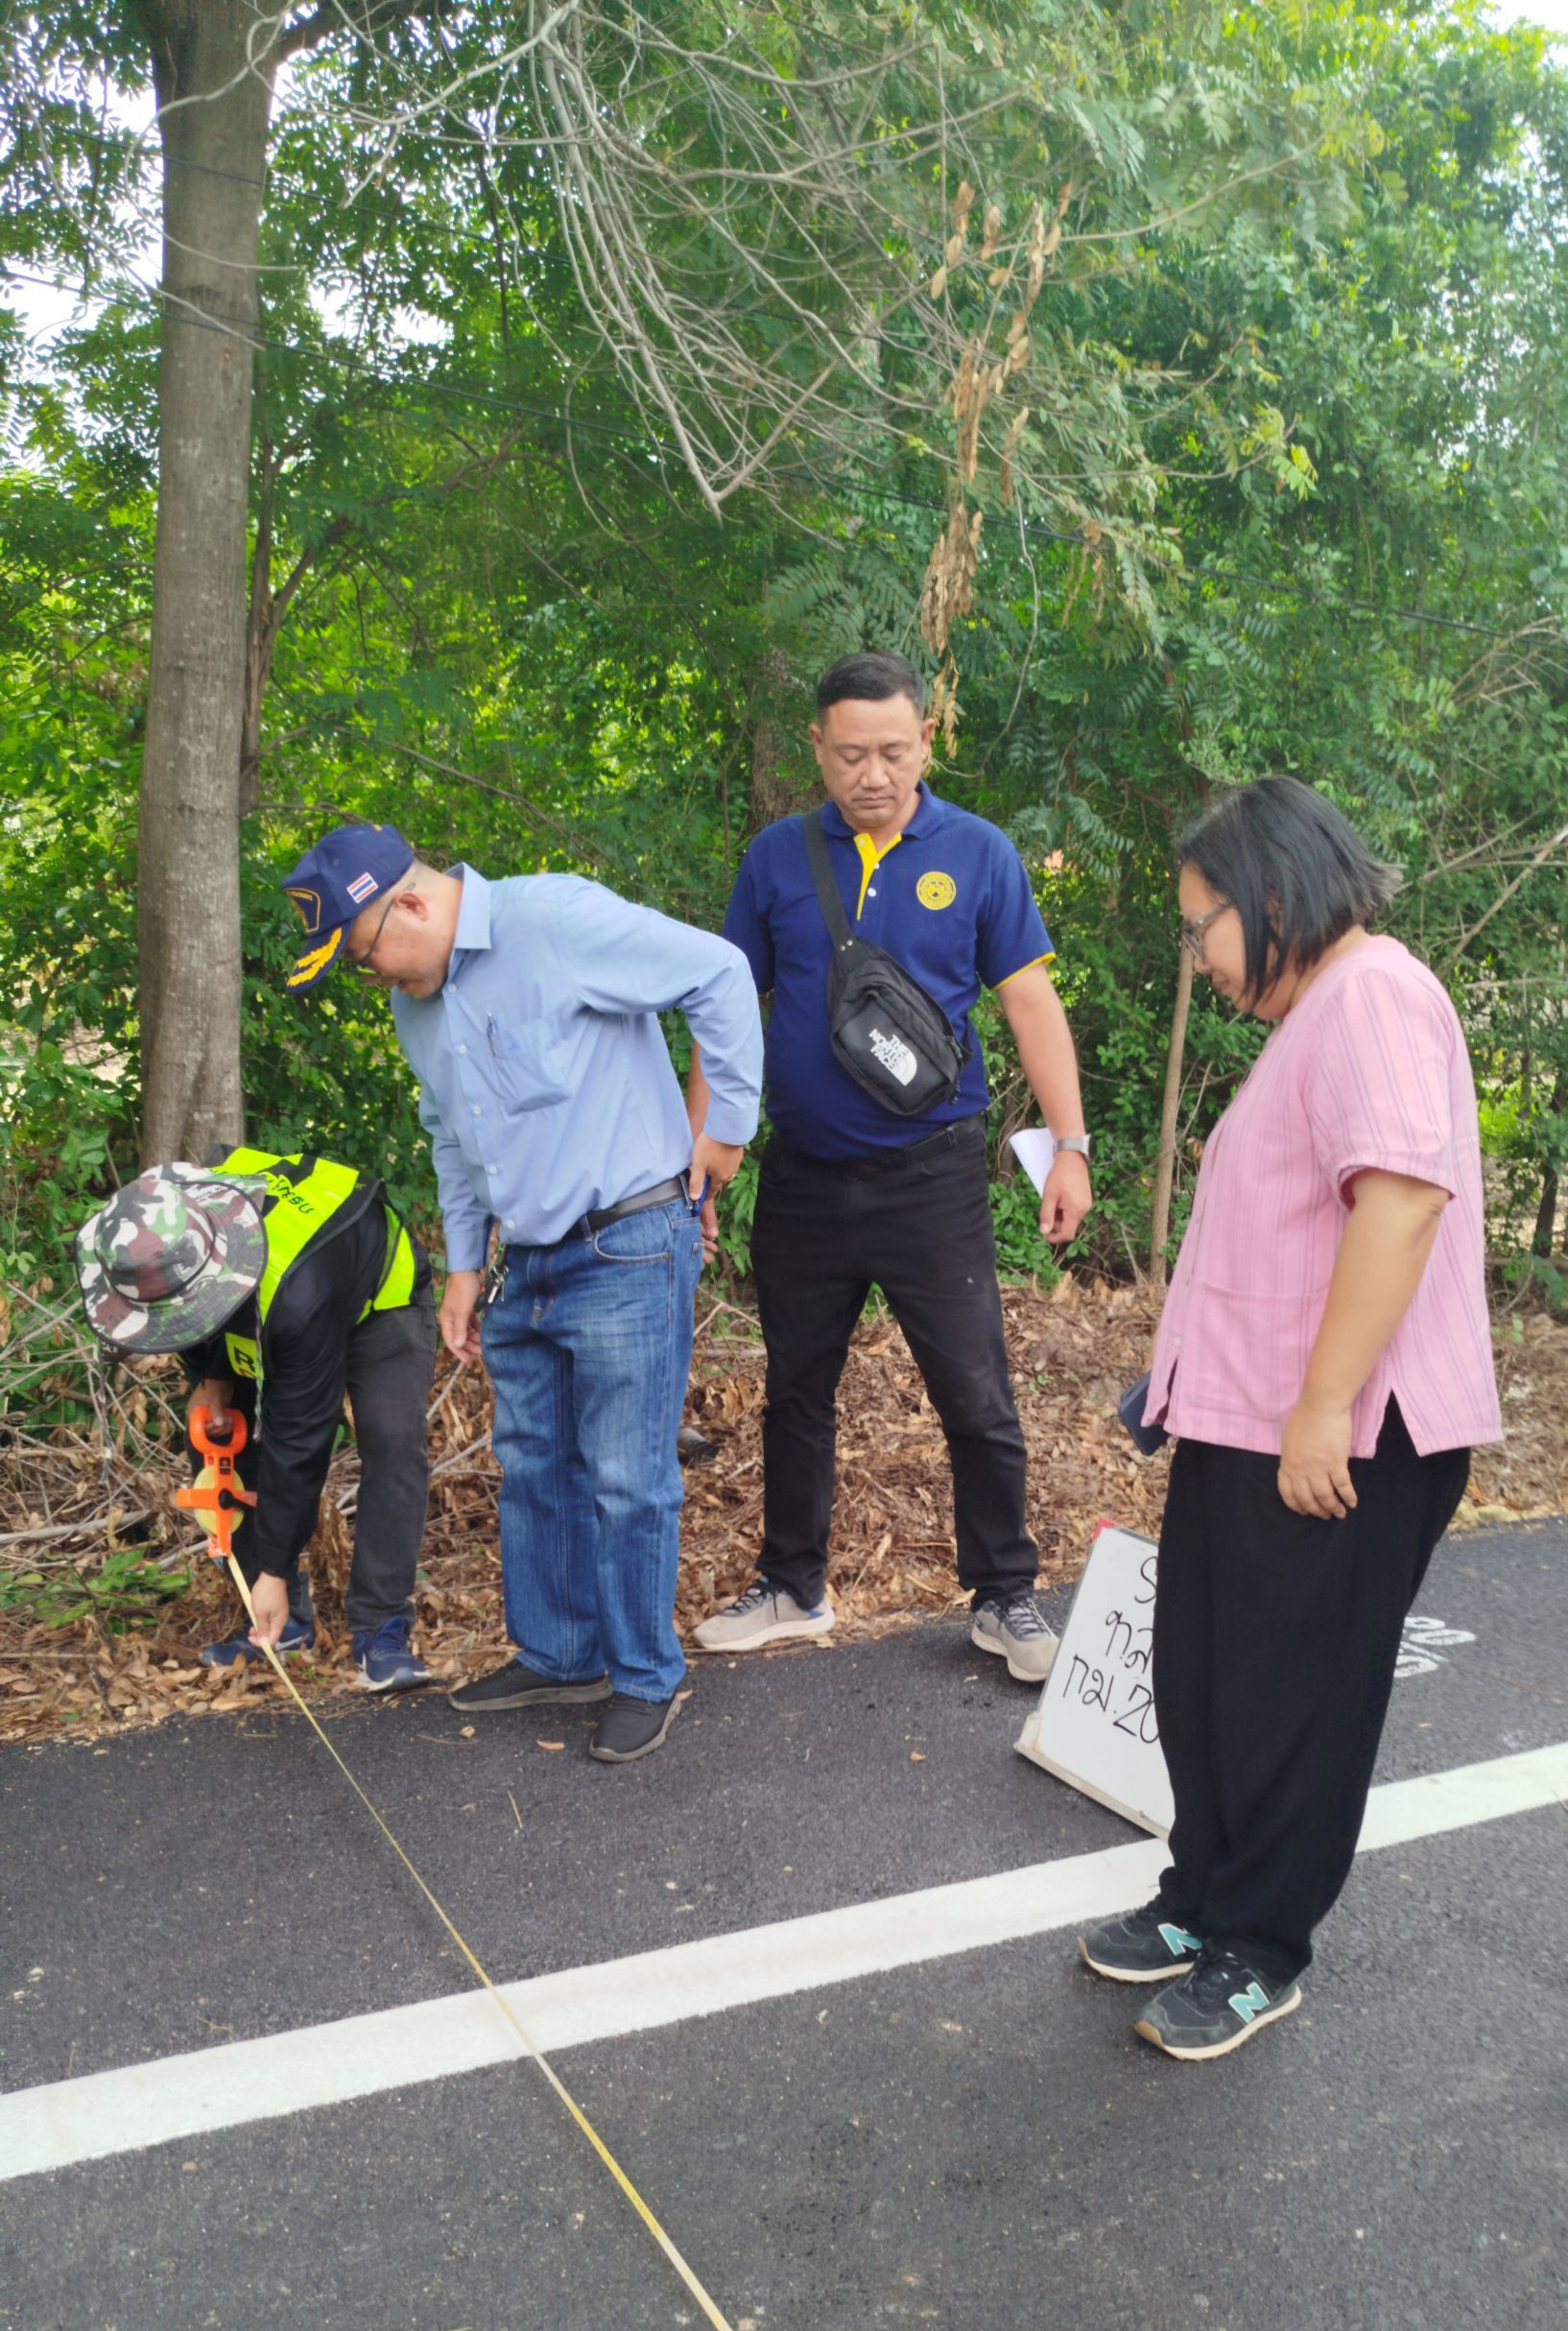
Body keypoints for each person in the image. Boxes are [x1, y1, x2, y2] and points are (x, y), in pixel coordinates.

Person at [1077, 776, 1502, 2060]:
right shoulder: (1317, 1014)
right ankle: (1202, 1897)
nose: (1197, 956)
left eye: (1198, 924)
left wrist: (1321, 1408)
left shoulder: (1372, 993)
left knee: (1293, 1699)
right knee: (1210, 1679)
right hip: (1248, 1420)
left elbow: (1400, 1203)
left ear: (1268, 897)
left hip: (1336, 1433)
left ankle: (1260, 1948)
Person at [279, 822, 763, 1764]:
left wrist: (727, 1127)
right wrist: (465, 1264)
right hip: (523, 1263)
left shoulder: (552, 918)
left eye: (365, 953)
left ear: (409, 904)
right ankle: (560, 1653)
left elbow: (720, 971)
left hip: (627, 1243)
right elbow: (450, 1135)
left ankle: (644, 1675)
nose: (369, 977)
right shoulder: (417, 1009)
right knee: (535, 1465)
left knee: (627, 1477)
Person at [687, 650, 1093, 1682]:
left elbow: (1029, 1000)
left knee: (976, 1392)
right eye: (850, 754)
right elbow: (727, 1011)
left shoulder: (977, 852)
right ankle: (792, 1583)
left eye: (894, 751)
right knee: (795, 1390)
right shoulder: (777, 858)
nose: (873, 773)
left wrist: (1070, 1146)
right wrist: (703, 1152)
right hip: (804, 1179)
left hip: (933, 1179)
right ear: (817, 746)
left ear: (927, 741)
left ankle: (1003, 1594)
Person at [76, 1151, 438, 1691]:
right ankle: (280, 1622)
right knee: (217, 1432)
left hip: (374, 1291)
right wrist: (210, 1378)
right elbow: (179, 1320)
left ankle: (380, 1628)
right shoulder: (154, 1224)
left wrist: (275, 1567)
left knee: (391, 1438)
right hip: (259, 1283)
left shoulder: (299, 1294)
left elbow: (300, 1442)